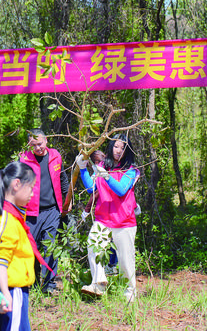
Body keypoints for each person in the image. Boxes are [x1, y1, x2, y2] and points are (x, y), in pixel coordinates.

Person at [76, 132, 140, 303]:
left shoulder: (131, 170)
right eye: (116, 146)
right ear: (111, 147)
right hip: (103, 218)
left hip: (124, 221)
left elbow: (121, 190)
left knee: (126, 260)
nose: (118, 150)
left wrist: (106, 175)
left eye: (122, 148)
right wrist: (83, 168)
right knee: (93, 245)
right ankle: (98, 283)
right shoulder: (103, 165)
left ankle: (130, 291)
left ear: (128, 150)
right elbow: (91, 189)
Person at [0, 161, 45, 331]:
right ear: (17, 184)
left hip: (9, 289)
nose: (33, 194)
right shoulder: (6, 219)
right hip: (11, 289)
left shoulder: (5, 216)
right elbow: (0, 261)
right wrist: (5, 294)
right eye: (31, 187)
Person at [19, 128, 68, 294]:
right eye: (34, 145)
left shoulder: (55, 156)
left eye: (39, 144)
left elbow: (63, 179)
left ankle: (49, 285)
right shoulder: (24, 159)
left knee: (50, 248)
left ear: (46, 140)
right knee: (30, 249)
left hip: (53, 211)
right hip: (31, 213)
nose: (38, 148)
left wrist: (67, 205)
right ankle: (32, 282)